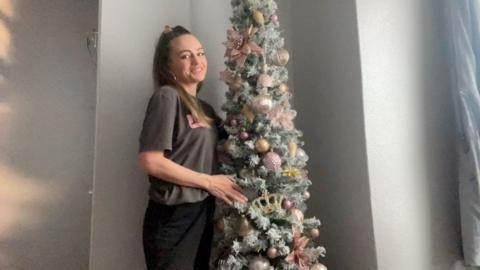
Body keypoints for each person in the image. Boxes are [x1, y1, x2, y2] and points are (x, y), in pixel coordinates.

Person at [137, 25, 248, 270]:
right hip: (172, 216)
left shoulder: (205, 109)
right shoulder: (167, 97)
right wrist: (208, 181)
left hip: (202, 213)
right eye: (185, 56)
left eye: (200, 53)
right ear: (168, 67)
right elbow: (150, 160)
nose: (197, 60)